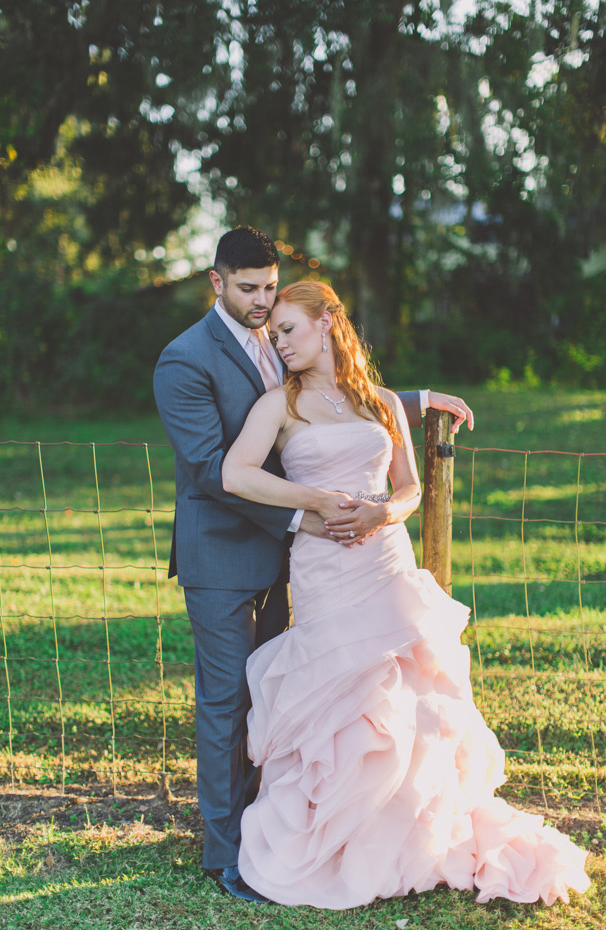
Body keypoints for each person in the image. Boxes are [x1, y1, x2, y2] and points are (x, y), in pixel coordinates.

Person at [222, 279, 590, 909]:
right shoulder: (277, 405)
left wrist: (381, 516)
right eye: (273, 333)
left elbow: (409, 490)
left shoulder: (381, 401)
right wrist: (315, 500)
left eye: (289, 329)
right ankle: (336, 841)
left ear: (328, 321)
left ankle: (409, 834)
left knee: (406, 694)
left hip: (385, 563)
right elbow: (237, 474)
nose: (278, 342)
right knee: (343, 699)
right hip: (323, 567)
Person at [153, 226, 475, 903]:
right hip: (227, 554)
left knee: (294, 701)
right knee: (228, 701)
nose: (264, 305)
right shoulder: (183, 360)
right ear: (216, 282)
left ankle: (301, 824)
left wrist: (412, 405)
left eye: (270, 289)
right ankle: (226, 854)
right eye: (248, 290)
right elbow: (216, 472)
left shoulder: (279, 342)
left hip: (292, 555)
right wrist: (312, 514)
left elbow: (334, 398)